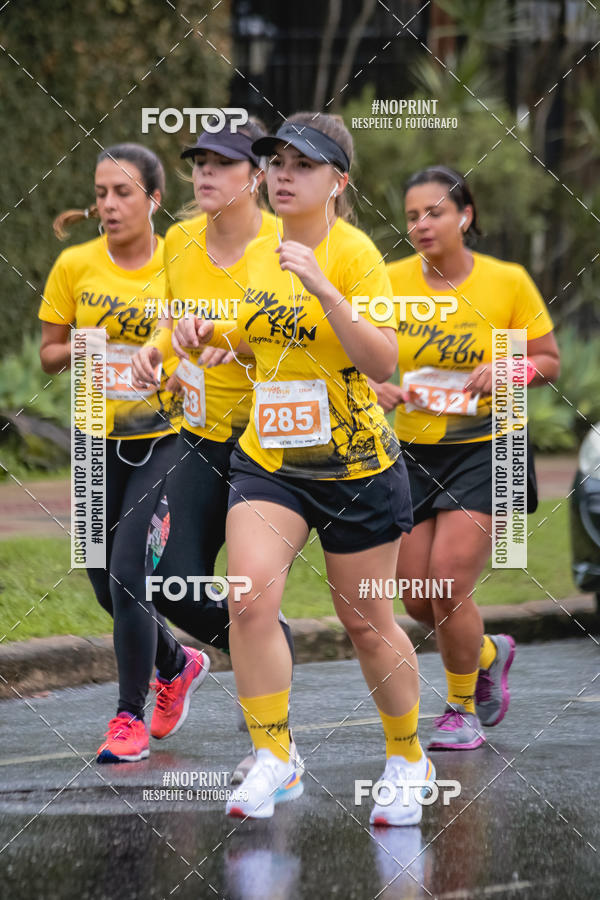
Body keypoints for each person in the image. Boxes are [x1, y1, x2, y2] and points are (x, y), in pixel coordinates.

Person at [173, 112, 434, 826]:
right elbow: (259, 339)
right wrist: (208, 335)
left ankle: (408, 759)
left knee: (367, 621)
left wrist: (326, 289)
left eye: (303, 165)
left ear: (337, 182)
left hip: (356, 468)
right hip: (271, 461)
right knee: (248, 597)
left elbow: (383, 359)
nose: (283, 175)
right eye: (276, 162)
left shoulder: (354, 255)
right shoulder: (257, 252)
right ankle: (275, 756)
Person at [130, 117, 298, 783]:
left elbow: (304, 339)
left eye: (221, 163)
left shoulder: (286, 244)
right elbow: (172, 327)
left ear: (255, 174)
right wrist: (158, 353)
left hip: (271, 444)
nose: (204, 173)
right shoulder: (179, 238)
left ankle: (274, 738)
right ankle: (264, 646)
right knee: (168, 575)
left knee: (252, 593)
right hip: (200, 436)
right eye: (198, 161)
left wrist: (232, 336)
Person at [373, 165, 559, 750]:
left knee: (448, 582)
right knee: (418, 598)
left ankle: (459, 709)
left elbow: (548, 360)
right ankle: (487, 651)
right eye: (411, 216)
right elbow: (357, 352)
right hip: (413, 451)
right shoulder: (389, 279)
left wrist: (509, 368)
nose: (422, 225)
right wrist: (374, 383)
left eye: (435, 212)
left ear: (465, 217)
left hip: (488, 445)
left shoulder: (507, 282)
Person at [39, 144, 209, 764]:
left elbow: (203, 331)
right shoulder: (74, 265)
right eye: (102, 192)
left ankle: (127, 718)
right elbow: (48, 353)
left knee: (130, 571)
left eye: (124, 192)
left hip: (164, 438)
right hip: (93, 440)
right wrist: (82, 346)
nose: (108, 204)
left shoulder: (182, 262)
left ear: (155, 200)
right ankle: (177, 661)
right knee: (105, 588)